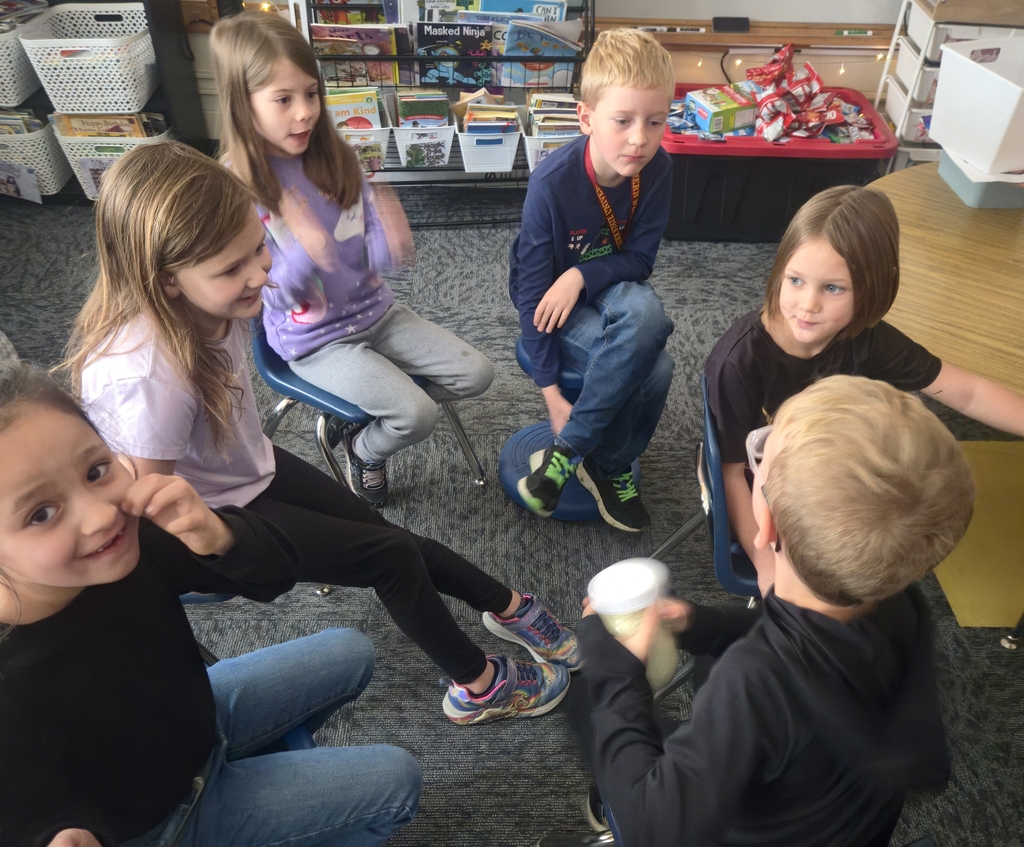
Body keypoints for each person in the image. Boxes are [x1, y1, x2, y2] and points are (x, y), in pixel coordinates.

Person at [66, 142, 577, 728]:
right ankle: (479, 686)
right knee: (392, 559)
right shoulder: (144, 377)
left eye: (258, 247)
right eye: (231, 269)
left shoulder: (209, 301)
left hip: (249, 467)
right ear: (168, 281)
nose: (261, 273)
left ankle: (504, 606)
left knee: (391, 538)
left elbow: (261, 178)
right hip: (215, 520)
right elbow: (149, 514)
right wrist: (234, 548)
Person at [0, 361, 421, 847]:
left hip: (193, 723)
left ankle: (279, 808)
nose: (99, 514)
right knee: (398, 780)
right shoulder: (11, 678)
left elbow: (273, 577)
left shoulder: (121, 544)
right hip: (168, 833)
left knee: (351, 650)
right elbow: (22, 813)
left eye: (96, 470)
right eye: (40, 513)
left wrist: (220, 534)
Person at [568, 375, 973, 847]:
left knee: (584, 697)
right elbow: (797, 648)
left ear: (766, 524)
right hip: (850, 843)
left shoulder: (751, 684)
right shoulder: (902, 602)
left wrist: (612, 670)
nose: (752, 459)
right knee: (710, 668)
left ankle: (607, 801)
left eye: (757, 458)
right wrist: (702, 625)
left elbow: (653, 840)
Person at [210, 9, 493, 506]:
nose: (305, 112)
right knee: (418, 415)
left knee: (477, 373)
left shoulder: (332, 155)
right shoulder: (237, 189)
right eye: (283, 99)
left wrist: (391, 242)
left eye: (311, 93)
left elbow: (365, 255)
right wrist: (307, 254)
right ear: (242, 104)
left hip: (377, 313)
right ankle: (366, 451)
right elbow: (263, 297)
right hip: (315, 341)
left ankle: (373, 417)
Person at [706, 184, 1024, 594]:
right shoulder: (738, 362)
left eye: (832, 288)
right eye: (796, 280)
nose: (808, 305)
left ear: (873, 286)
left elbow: (968, 392)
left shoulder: (868, 339)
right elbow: (731, 472)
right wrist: (767, 568)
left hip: (838, 476)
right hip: (768, 488)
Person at [509, 28, 676, 532]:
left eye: (656, 121)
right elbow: (532, 296)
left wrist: (581, 274)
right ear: (586, 117)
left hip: (605, 286)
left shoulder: (658, 169)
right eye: (623, 121)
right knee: (657, 367)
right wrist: (550, 394)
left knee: (646, 316)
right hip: (553, 307)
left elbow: (639, 260)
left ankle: (569, 454)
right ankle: (609, 464)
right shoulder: (550, 185)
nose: (640, 139)